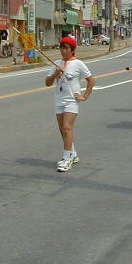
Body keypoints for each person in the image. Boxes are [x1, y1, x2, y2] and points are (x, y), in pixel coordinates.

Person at [45, 36, 95, 172]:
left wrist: (85, 96)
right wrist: (56, 74)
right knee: (62, 129)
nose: (63, 50)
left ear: (72, 50)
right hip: (59, 99)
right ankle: (72, 153)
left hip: (72, 100)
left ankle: (66, 159)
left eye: (66, 48)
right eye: (62, 47)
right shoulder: (57, 63)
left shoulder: (78, 63)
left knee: (67, 127)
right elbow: (47, 83)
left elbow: (91, 80)